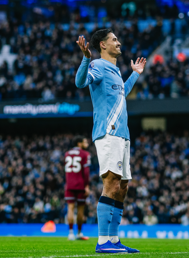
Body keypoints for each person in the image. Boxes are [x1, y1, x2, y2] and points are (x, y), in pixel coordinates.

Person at [75, 29, 146, 253]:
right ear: (103, 45)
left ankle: (113, 240)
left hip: (123, 135)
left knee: (122, 187)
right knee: (111, 184)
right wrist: (86, 59)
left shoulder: (114, 71)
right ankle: (102, 240)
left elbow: (122, 91)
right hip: (108, 132)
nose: (119, 42)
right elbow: (80, 82)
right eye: (114, 40)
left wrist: (135, 73)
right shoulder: (97, 65)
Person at [64, 135, 91, 241]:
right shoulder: (85, 154)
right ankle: (79, 233)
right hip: (80, 185)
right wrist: (87, 186)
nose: (87, 144)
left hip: (69, 184)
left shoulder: (67, 154)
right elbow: (86, 171)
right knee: (80, 209)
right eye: (85, 142)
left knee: (70, 209)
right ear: (79, 143)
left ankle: (70, 233)